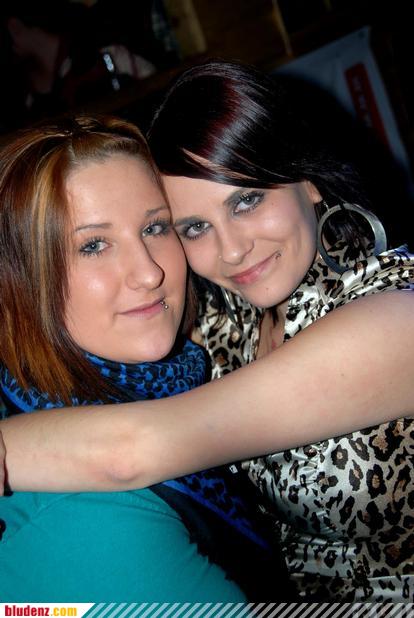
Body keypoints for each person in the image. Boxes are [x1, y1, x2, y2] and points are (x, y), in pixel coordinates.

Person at [1, 61, 414, 601]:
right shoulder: (220, 325)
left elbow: (134, 449)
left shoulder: (395, 318)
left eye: (247, 200)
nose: (233, 249)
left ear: (307, 180)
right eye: (193, 227)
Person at [0, 114, 285, 602]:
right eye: (93, 245)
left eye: (155, 227)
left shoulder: (192, 357)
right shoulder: (84, 517)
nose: (149, 273)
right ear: (21, 280)